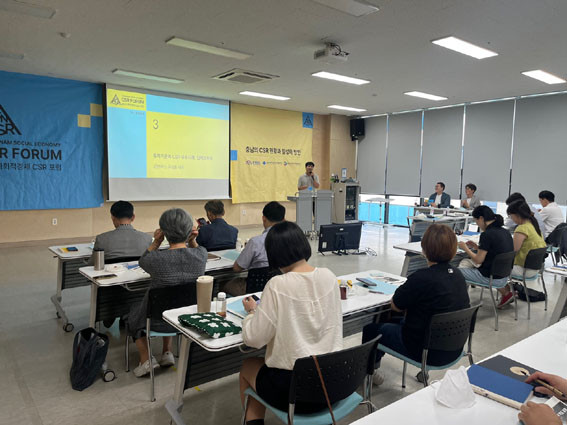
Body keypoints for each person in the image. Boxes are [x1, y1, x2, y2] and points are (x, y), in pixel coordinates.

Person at [238, 221, 342, 424]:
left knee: (249, 366)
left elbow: (254, 339)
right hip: (332, 383)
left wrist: (252, 313)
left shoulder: (277, 285)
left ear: (274, 254)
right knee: (263, 372)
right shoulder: (329, 276)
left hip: (294, 390)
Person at [362, 224, 470, 385]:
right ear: (454, 249)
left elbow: (396, 306)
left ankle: (369, 372)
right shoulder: (459, 275)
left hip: (424, 350)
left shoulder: (421, 277)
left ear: (424, 249)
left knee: (371, 330)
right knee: (392, 320)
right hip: (455, 348)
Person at [126, 208, 207, 377]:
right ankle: (167, 352)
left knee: (133, 316)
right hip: (186, 319)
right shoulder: (201, 256)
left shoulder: (155, 259)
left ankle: (146, 359)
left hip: (157, 319)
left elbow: (143, 260)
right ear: (189, 230)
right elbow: (198, 250)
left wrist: (156, 241)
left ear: (163, 231)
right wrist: (192, 240)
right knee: (172, 303)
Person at [225, 202, 286, 296]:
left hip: (255, 289)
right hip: (280, 289)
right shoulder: (290, 240)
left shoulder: (255, 242)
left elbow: (237, 268)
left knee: (226, 285)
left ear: (263, 218)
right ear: (284, 220)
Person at [497, 201, 547, 308]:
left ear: (517, 215)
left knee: (492, 268)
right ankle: (508, 291)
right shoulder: (533, 226)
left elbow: (512, 252)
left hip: (524, 269)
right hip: (535, 269)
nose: (511, 219)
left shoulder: (521, 228)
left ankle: (506, 293)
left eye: (511, 216)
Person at [458, 206, 513, 287]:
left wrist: (465, 248)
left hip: (489, 277)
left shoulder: (487, 234)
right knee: (467, 263)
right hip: (504, 276)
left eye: (476, 221)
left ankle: (461, 294)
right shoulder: (505, 232)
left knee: (455, 271)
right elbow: (494, 251)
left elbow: (478, 260)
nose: (477, 224)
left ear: (481, 218)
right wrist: (477, 247)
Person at [88, 200, 152, 265]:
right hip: (139, 271)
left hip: (111, 271)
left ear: (113, 218)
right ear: (133, 217)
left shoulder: (101, 239)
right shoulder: (147, 239)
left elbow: (92, 264)